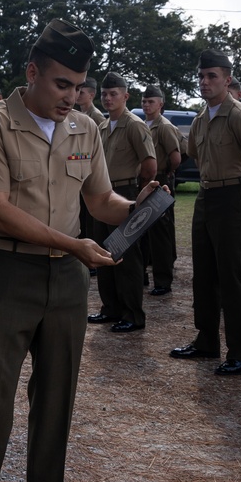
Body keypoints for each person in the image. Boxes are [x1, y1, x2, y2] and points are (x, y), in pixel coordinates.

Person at [0, 19, 151, 482]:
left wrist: (136, 208)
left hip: (68, 280)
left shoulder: (85, 128)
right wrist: (76, 244)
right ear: (33, 73)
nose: (72, 96)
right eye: (61, 84)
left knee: (56, 398)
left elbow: (99, 201)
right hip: (10, 274)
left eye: (79, 86)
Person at [169, 50, 241, 376]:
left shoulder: (239, 114)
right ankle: (206, 339)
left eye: (212, 75)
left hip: (232, 198)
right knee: (204, 274)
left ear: (227, 79)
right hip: (207, 196)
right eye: (201, 76)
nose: (205, 81)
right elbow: (196, 156)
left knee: (231, 277)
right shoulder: (200, 119)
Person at [88, 72, 156, 333]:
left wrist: (137, 195)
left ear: (125, 96)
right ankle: (111, 308)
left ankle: (132, 314)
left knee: (127, 256)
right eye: (104, 94)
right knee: (104, 252)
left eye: (113, 93)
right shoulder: (103, 126)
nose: (107, 98)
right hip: (103, 193)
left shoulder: (135, 124)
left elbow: (150, 165)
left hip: (127, 191)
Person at [141, 84, 183, 297]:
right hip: (146, 180)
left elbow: (175, 158)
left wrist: (166, 174)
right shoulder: (143, 124)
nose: (146, 105)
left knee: (161, 232)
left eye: (151, 101)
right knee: (144, 230)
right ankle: (145, 274)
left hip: (160, 179)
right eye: (144, 101)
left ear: (161, 104)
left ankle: (163, 280)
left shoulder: (164, 126)